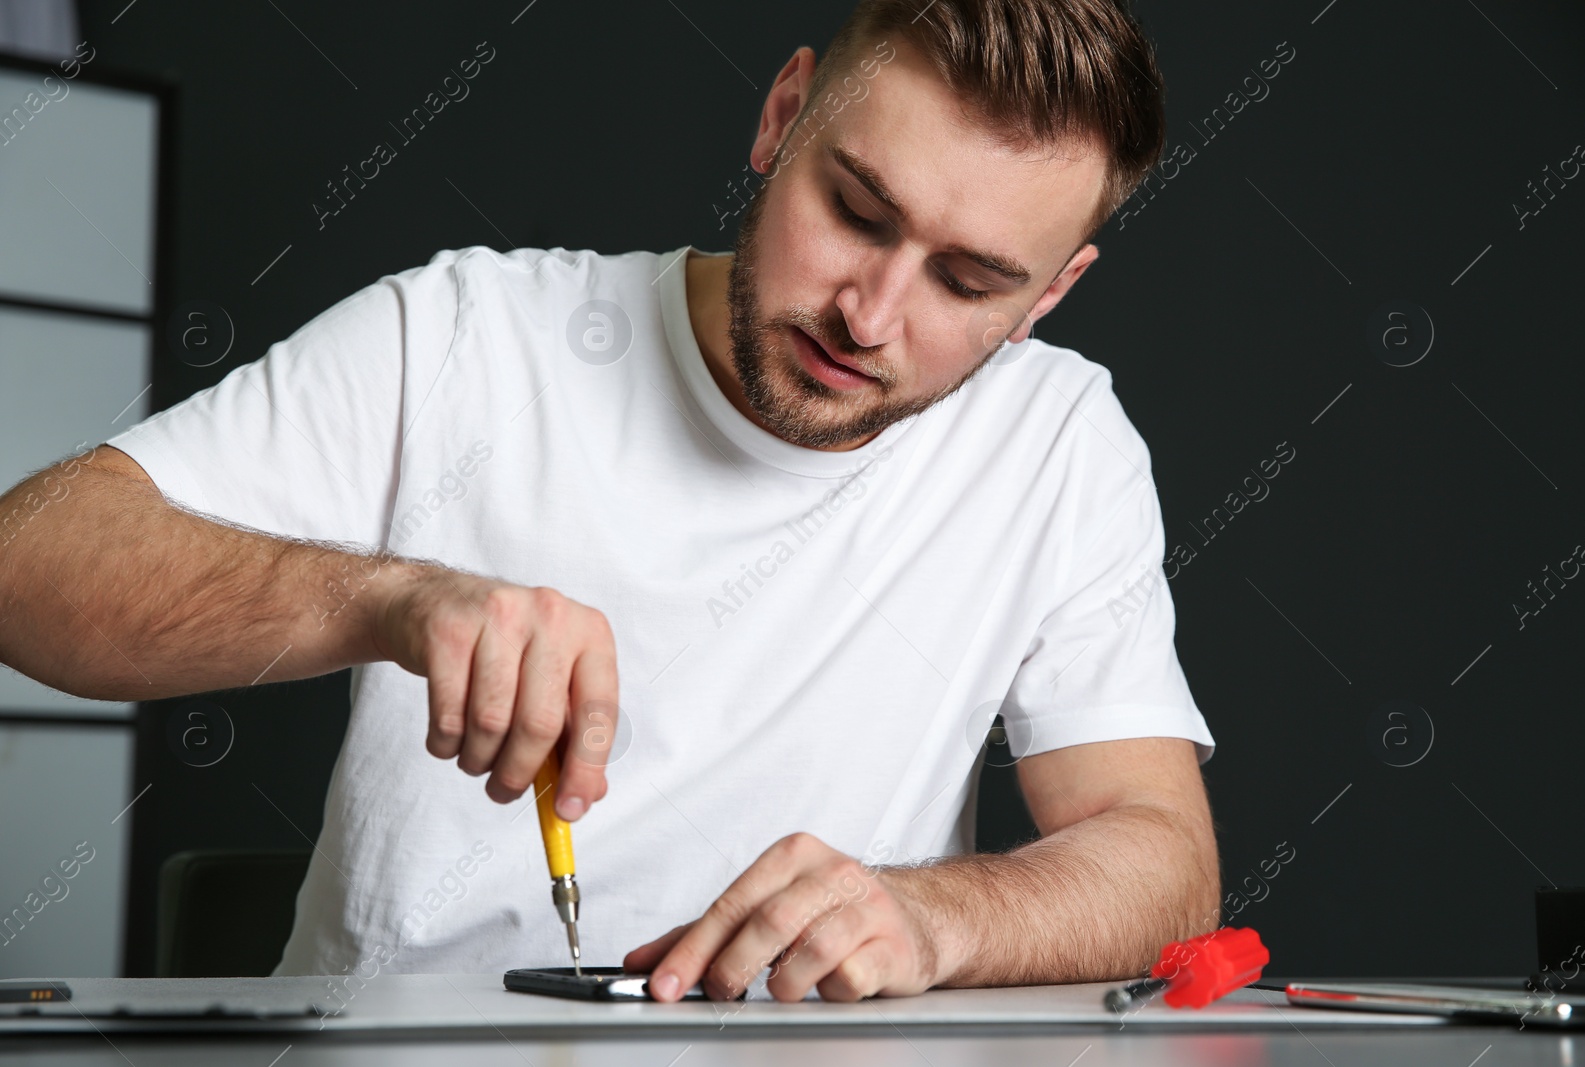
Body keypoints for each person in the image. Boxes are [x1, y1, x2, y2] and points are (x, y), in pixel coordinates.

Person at [0, 0, 1218, 1002]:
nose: (871, 315)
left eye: (966, 282)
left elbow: (1161, 861)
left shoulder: (1058, 439)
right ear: (781, 118)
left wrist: (934, 915)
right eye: (854, 210)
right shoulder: (471, 335)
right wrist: (389, 596)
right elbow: (28, 565)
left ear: (1048, 294)